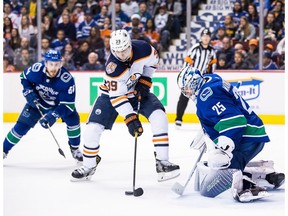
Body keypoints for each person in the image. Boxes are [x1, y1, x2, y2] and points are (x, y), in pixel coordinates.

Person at [71, 29, 180, 182]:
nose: (121, 55)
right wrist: (130, 119)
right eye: (117, 52)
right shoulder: (113, 69)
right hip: (110, 96)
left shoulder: (143, 48)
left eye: (124, 50)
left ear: (130, 45)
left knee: (159, 116)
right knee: (92, 128)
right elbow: (117, 98)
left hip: (137, 90)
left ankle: (162, 162)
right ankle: (89, 166)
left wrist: (145, 80)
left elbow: (153, 62)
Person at [177, 66, 285, 202]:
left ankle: (245, 187)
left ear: (194, 82)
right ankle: (266, 176)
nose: (187, 92)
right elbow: (221, 115)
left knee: (223, 168)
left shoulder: (207, 96)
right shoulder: (211, 81)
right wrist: (208, 131)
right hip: (251, 134)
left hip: (246, 137)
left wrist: (224, 146)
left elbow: (235, 121)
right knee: (224, 166)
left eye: (187, 88)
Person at [3, 49, 83, 162]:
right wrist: (28, 91)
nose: (54, 68)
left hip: (58, 105)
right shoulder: (36, 70)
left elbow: (68, 105)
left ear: (61, 63)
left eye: (57, 64)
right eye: (51, 64)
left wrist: (54, 114)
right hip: (36, 103)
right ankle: (3, 150)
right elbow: (24, 78)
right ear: (45, 63)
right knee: (21, 126)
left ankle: (75, 149)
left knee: (74, 120)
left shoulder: (66, 80)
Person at [175, 28, 217, 128]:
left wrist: (209, 78)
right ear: (201, 37)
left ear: (210, 38)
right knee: (184, 97)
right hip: (191, 78)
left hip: (202, 80)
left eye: (207, 36)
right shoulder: (195, 48)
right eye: (204, 36)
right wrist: (186, 76)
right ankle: (178, 119)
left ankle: (207, 121)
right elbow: (187, 62)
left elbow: (212, 66)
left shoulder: (212, 51)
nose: (206, 38)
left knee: (205, 99)